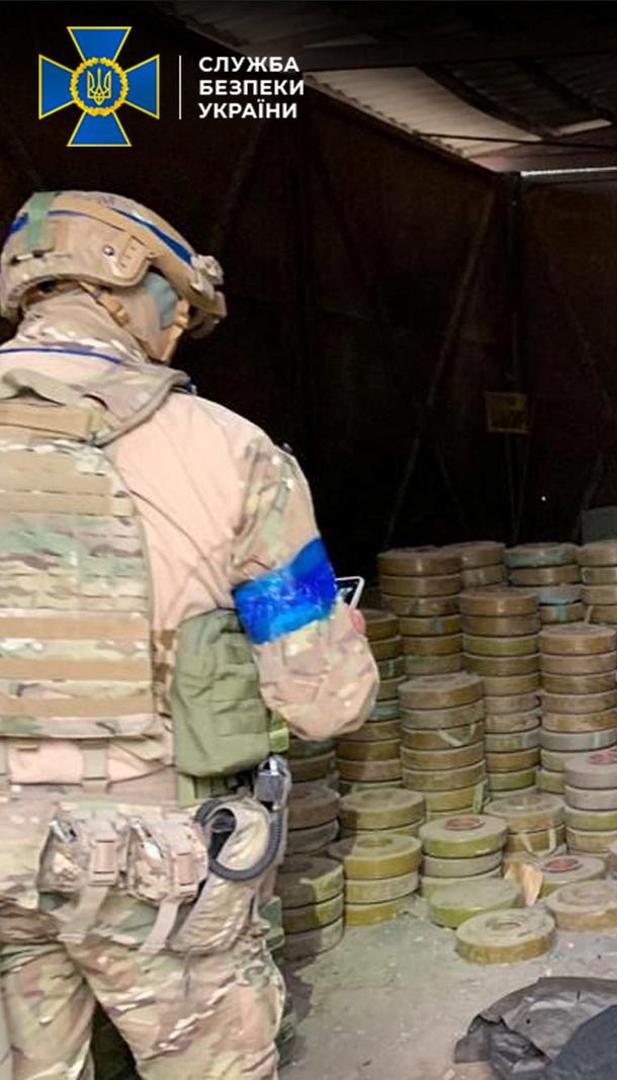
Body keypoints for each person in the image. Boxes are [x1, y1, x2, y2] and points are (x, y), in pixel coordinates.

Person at [0, 191, 376, 1079]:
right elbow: (326, 700)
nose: (177, 330)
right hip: (148, 862)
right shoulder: (230, 452)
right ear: (126, 286)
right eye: (177, 305)